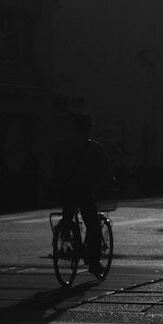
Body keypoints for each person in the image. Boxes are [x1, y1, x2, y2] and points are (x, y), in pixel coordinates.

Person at [56, 112, 115, 276]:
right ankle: (94, 263)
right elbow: (105, 170)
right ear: (89, 128)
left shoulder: (63, 144)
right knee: (93, 226)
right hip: (84, 190)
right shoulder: (94, 147)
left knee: (68, 216)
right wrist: (110, 182)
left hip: (66, 189)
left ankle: (65, 233)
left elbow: (55, 167)